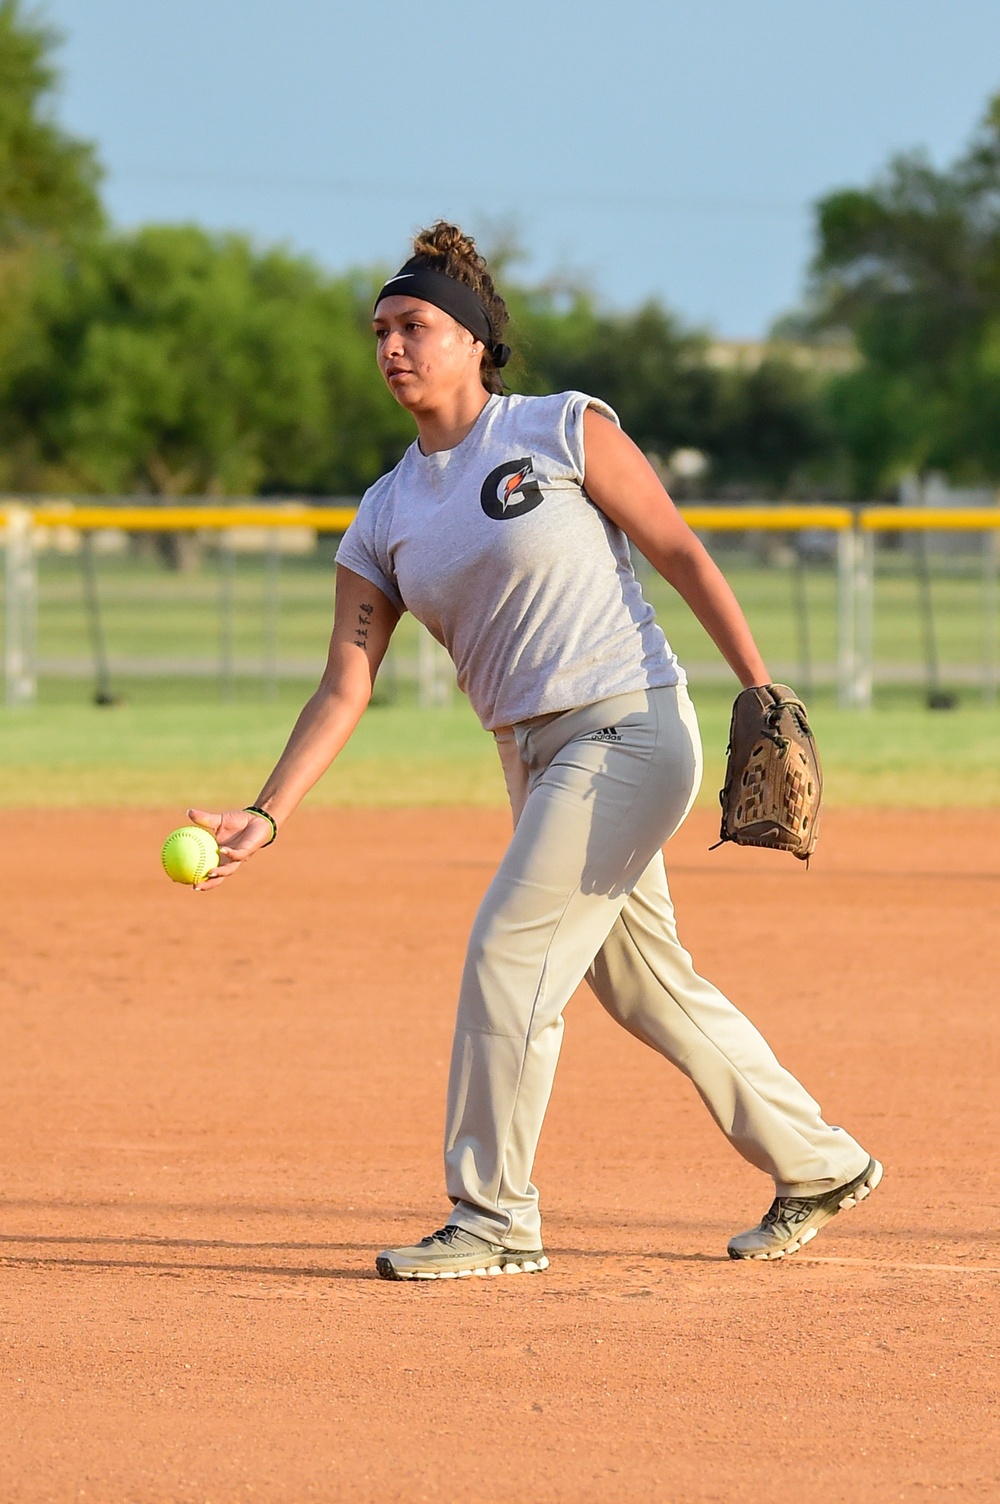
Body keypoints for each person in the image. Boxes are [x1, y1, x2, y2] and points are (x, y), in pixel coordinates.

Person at [189, 221, 881, 1281]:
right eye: (378, 330)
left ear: (473, 341)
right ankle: (817, 1159)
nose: (390, 347)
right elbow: (346, 682)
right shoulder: (383, 513)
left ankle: (495, 1215)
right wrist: (266, 810)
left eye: (413, 325)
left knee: (509, 954)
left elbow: (678, 549)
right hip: (536, 757)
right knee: (645, 985)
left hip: (630, 725)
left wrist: (759, 684)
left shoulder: (560, 429)